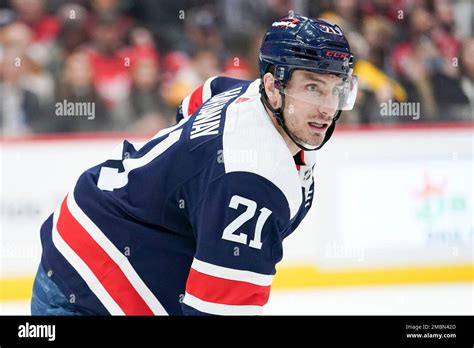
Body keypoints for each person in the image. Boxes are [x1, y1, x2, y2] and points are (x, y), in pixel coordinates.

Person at [31, 14, 357, 316]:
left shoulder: (244, 93)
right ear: (274, 86)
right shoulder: (252, 182)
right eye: (312, 88)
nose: (327, 109)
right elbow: (215, 312)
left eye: (336, 89)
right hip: (87, 287)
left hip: (86, 229)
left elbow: (198, 100)